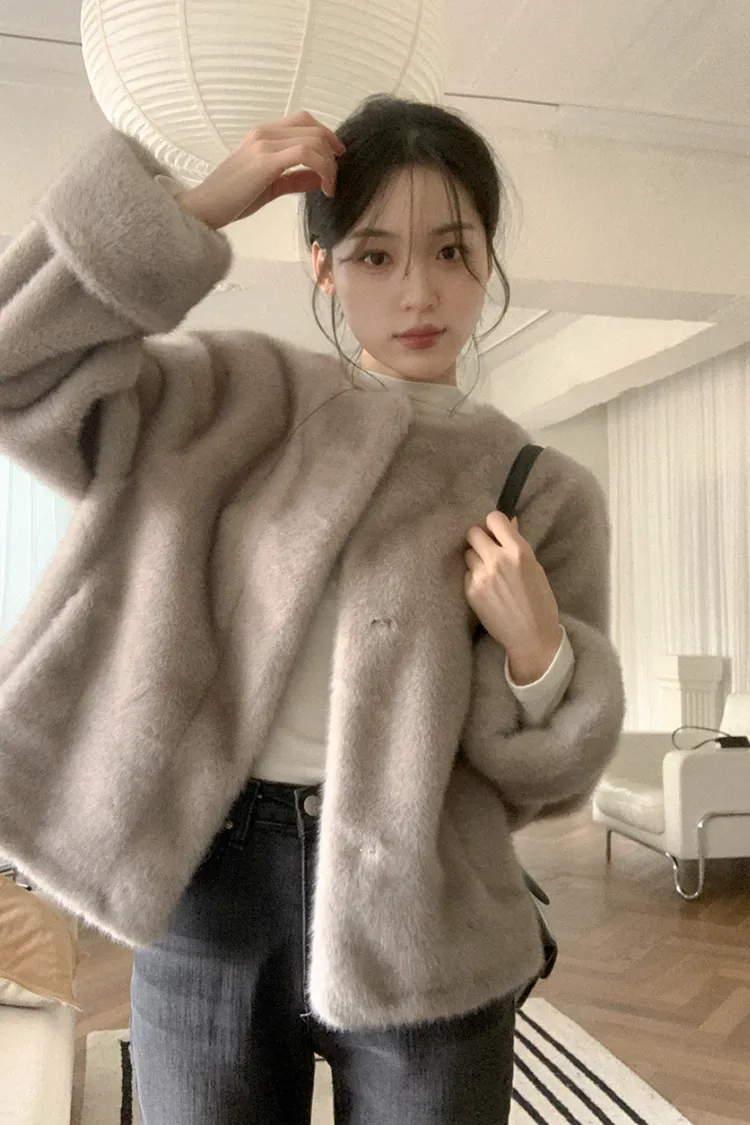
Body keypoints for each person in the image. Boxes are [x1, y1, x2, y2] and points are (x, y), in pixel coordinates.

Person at [0, 95, 624, 1124]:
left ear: (488, 261)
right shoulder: (227, 398)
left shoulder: (542, 490)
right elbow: (18, 368)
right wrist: (193, 210)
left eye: (452, 251)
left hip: (431, 908)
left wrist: (542, 653)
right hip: (211, 890)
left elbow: (544, 786)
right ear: (323, 267)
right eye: (375, 255)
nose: (418, 291)